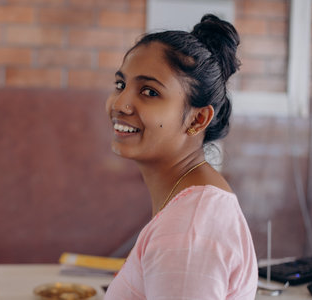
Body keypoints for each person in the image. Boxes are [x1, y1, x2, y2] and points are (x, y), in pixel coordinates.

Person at [103, 14, 258, 299]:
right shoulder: (191, 207)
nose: (121, 103)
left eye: (149, 91)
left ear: (198, 119)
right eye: (121, 85)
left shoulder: (189, 232)